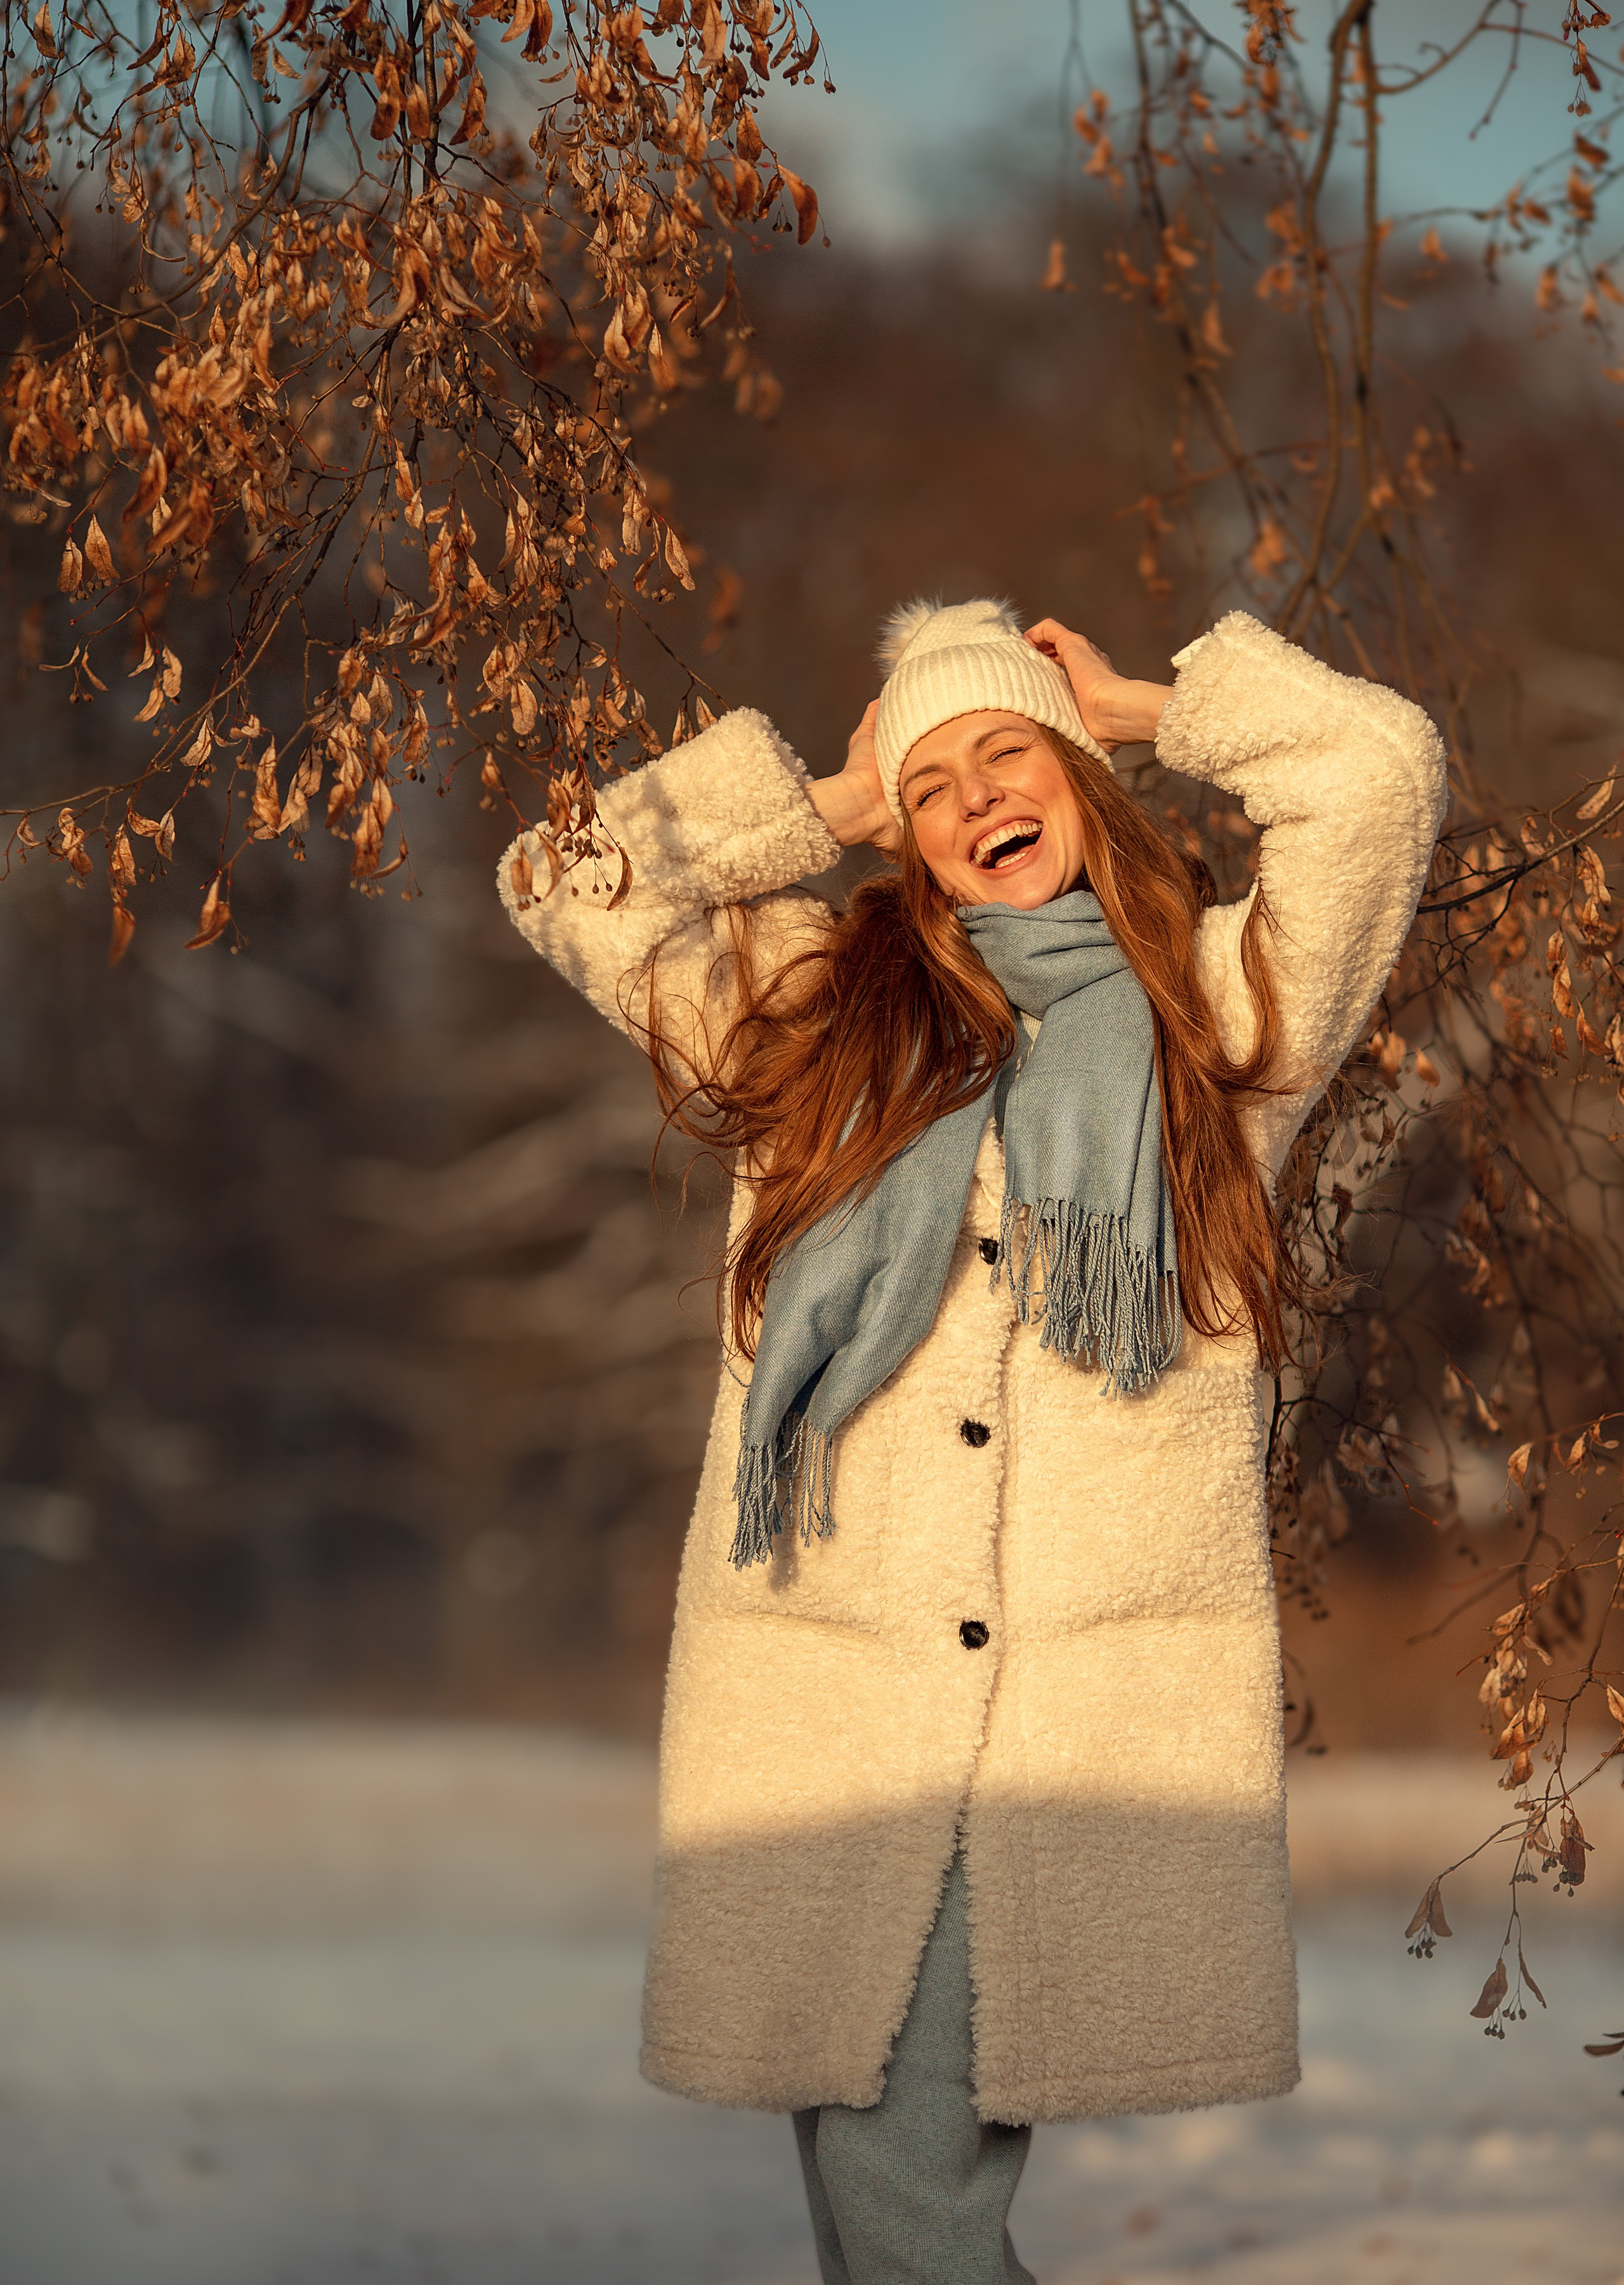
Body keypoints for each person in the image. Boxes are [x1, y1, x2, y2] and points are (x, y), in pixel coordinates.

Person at [501, 599, 1446, 2285]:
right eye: (933, 783)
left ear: (1079, 776)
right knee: (883, 2193)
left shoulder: (1217, 1024)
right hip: (834, 1704)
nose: (975, 795)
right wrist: (823, 808)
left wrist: (1157, 703)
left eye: (1008, 751)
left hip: (1070, 1715)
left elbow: (1377, 777)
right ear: (911, 841)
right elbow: (562, 880)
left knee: (898, 2196)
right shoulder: (814, 1014)